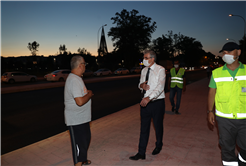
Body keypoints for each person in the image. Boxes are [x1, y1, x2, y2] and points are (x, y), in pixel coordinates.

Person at [207, 42, 246, 166]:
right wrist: (210, 111)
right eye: (224, 53)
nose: (226, 54)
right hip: (224, 119)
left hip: (244, 118)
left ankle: (242, 159)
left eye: (229, 51)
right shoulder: (217, 73)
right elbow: (212, 93)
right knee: (227, 149)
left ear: (238, 52)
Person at [129, 50, 166, 160]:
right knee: (144, 128)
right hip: (144, 103)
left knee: (158, 126)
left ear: (152, 59)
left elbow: (160, 87)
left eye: (146, 58)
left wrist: (149, 98)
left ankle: (159, 145)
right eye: (144, 58)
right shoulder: (144, 70)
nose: (144, 60)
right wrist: (142, 86)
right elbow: (140, 85)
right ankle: (141, 152)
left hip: (157, 103)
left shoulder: (161, 70)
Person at [64, 55, 94, 166]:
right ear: (80, 65)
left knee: (85, 140)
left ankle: (83, 159)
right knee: (78, 144)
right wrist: (89, 94)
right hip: (75, 120)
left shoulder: (77, 78)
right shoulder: (73, 80)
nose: (85, 66)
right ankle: (78, 163)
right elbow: (80, 102)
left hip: (82, 118)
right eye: (84, 64)